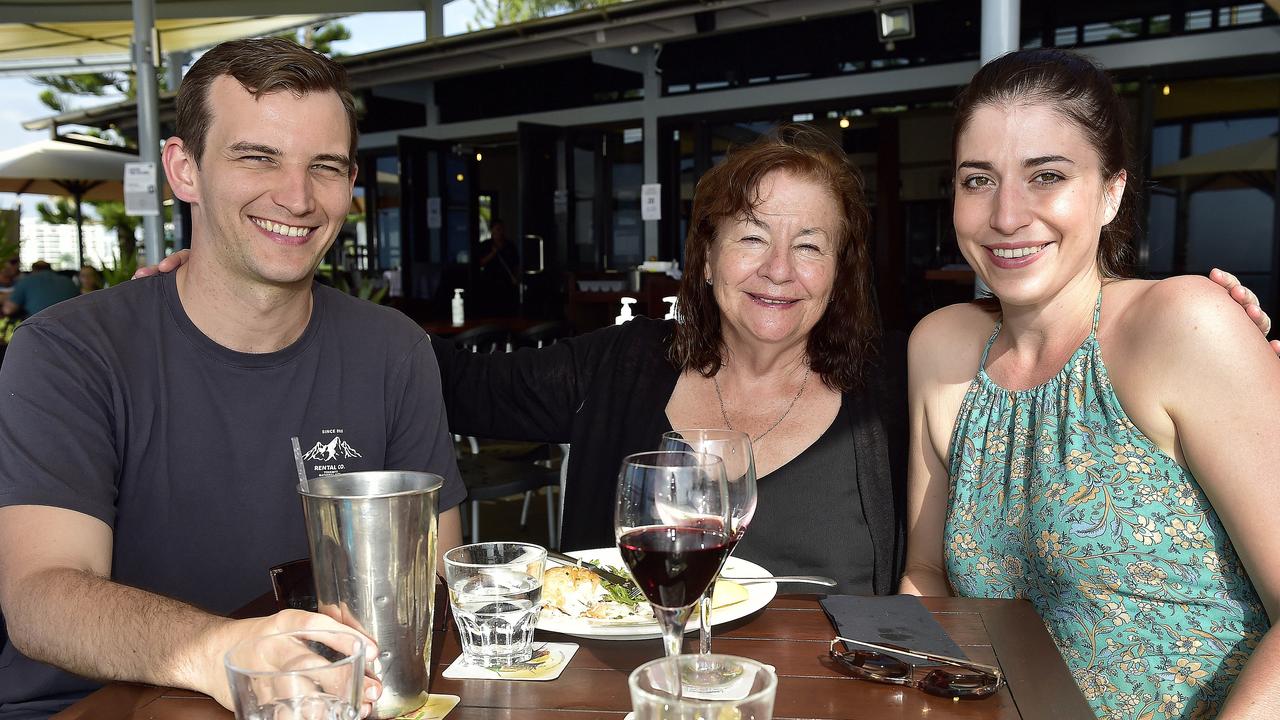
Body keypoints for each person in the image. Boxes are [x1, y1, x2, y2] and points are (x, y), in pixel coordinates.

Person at [0, 38, 465, 719]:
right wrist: (228, 651)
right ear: (184, 170)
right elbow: (40, 596)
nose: (298, 197)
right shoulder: (68, 351)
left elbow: (430, 586)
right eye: (258, 157)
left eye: (325, 167)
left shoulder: (393, 348)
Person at [900, 49, 1279, 719]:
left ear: (1111, 193)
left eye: (1046, 175)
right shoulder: (942, 348)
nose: (1007, 215)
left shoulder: (1183, 325)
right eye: (978, 180)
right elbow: (927, 579)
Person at [436, 127, 908, 595]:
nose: (778, 270)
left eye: (808, 245)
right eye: (752, 238)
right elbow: (457, 384)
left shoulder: (897, 387)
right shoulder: (622, 365)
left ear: (839, 272)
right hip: (641, 673)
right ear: (706, 258)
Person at [2, 260, 78, 319]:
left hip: (40, 330)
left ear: (33, 270)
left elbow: (8, 310)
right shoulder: (68, 281)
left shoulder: (27, 280)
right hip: (71, 328)